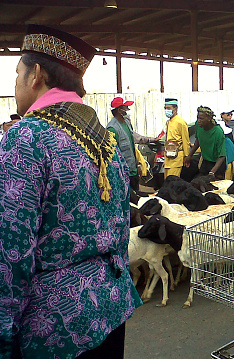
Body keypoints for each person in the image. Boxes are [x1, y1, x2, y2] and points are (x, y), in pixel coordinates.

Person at [0, 24, 141, 358]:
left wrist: (4, 334)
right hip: (111, 308)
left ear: (35, 75)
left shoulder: (26, 138)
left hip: (55, 328)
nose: (16, 83)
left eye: (17, 73)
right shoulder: (104, 138)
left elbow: (11, 249)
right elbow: (123, 224)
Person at [106, 97, 158, 192]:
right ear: (119, 110)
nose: (128, 110)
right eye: (126, 108)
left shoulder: (126, 123)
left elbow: (132, 145)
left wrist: (138, 165)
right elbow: (114, 154)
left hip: (133, 171)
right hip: (122, 174)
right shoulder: (112, 128)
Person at [184, 106, 227, 179]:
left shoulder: (218, 132)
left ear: (209, 119)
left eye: (202, 118)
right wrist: (190, 156)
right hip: (206, 161)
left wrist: (212, 172)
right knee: (201, 182)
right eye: (198, 118)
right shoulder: (198, 125)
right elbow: (198, 140)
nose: (199, 120)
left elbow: (222, 156)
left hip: (217, 164)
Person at [163, 98, 190, 179]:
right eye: (165, 108)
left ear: (175, 109)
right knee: (166, 181)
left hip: (177, 157)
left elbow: (186, 141)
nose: (166, 110)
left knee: (173, 181)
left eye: (169, 108)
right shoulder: (168, 122)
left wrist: (186, 156)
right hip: (168, 156)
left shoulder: (181, 122)